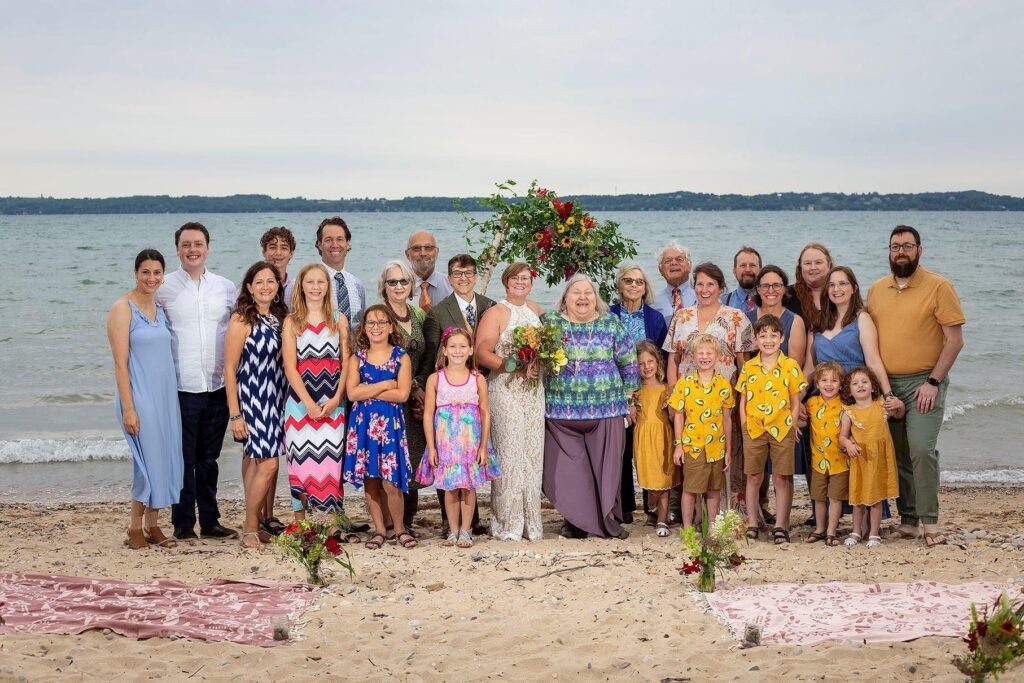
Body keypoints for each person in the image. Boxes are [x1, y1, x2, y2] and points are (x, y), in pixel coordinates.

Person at [868, 225, 964, 548]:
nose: (901, 252)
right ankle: (908, 520)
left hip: (925, 381)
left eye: (908, 246)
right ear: (889, 251)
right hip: (887, 385)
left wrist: (933, 382)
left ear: (919, 250)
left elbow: (954, 340)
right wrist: (882, 390)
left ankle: (930, 521)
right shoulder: (876, 290)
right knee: (899, 454)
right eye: (895, 246)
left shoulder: (939, 286)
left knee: (921, 448)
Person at [542, 274, 640, 540]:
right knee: (569, 473)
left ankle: (606, 522)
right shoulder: (550, 323)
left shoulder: (610, 323)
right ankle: (574, 522)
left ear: (596, 299)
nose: (583, 297)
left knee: (604, 471)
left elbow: (629, 361)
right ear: (565, 299)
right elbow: (536, 358)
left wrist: (630, 401)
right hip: (560, 412)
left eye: (588, 292)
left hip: (606, 410)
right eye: (576, 292)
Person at [157, 222, 238, 541]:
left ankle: (211, 521)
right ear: (177, 249)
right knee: (183, 459)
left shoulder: (225, 286)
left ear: (208, 247)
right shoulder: (163, 287)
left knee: (209, 459)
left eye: (198, 244)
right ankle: (182, 523)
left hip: (217, 386)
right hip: (181, 386)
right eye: (186, 244)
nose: (193, 249)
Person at [663, 262, 754, 523]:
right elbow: (672, 359)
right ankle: (692, 519)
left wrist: (744, 399)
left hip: (724, 400)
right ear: (694, 286)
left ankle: (729, 516)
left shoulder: (735, 317)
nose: (705, 289)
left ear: (720, 287)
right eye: (700, 284)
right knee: (692, 457)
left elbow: (743, 362)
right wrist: (672, 398)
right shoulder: (681, 317)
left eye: (710, 284)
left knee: (727, 455)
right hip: (689, 401)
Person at [107, 249, 183, 550]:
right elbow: (119, 363)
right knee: (146, 460)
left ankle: (153, 525)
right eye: (145, 272)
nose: (151, 278)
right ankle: (134, 527)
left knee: (163, 458)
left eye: (156, 273)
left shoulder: (159, 307)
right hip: (139, 395)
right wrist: (129, 408)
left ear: (163, 275)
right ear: (136, 273)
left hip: (165, 396)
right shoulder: (123, 308)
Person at [420, 253, 495, 535]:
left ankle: (472, 523)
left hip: (481, 392)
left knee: (474, 464)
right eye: (457, 274)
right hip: (448, 397)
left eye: (468, 273)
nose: (463, 278)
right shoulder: (438, 312)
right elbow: (430, 359)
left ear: (476, 276)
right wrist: (422, 390)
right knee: (449, 468)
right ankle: (450, 523)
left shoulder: (491, 307)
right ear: (449, 278)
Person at [281, 264, 355, 539]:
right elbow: (290, 368)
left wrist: (337, 398)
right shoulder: (292, 321)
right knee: (300, 463)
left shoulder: (339, 319)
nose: (315, 287)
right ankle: (302, 525)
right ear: (301, 286)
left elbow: (346, 362)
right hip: (300, 405)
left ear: (328, 286)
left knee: (329, 464)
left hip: (333, 401)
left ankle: (327, 524)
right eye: (309, 282)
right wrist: (308, 404)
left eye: (320, 282)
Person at [475, 263, 546, 542]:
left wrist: (545, 362)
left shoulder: (537, 310)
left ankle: (531, 523)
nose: (520, 282)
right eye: (515, 278)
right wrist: (515, 366)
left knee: (532, 454)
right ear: (506, 282)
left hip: (533, 391)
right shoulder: (496, 312)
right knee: (509, 454)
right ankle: (507, 523)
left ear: (531, 283)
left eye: (526, 278)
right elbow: (481, 353)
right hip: (505, 390)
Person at [415, 327, 501, 548]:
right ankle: (452, 530)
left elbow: (484, 413)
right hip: (446, 445)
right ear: (444, 350)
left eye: (463, 346)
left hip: (469, 444)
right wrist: (431, 447)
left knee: (468, 487)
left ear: (471, 350)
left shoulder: (477, 379)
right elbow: (428, 414)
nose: (457, 351)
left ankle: (466, 530)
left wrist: (483, 446)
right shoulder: (435, 379)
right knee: (450, 489)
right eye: (452, 346)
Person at [224, 261, 288, 548]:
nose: (265, 286)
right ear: (249, 287)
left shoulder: (280, 318)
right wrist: (235, 414)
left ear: (277, 287)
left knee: (256, 462)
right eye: (259, 281)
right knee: (269, 464)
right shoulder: (241, 320)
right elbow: (229, 368)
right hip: (253, 398)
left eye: (270, 281)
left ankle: (256, 523)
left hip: (278, 397)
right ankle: (250, 528)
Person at [343, 305, 416, 550]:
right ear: (364, 327)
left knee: (391, 482)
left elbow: (403, 394)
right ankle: (379, 530)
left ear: (390, 326)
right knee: (371, 480)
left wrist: (369, 391)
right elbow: (352, 393)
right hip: (363, 427)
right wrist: (385, 384)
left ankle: (400, 529)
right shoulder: (358, 357)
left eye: (381, 322)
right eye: (371, 323)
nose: (376, 327)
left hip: (390, 427)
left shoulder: (401, 356)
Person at [736, 315, 808, 544]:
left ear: (782, 338)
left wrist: (793, 424)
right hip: (755, 428)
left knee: (781, 477)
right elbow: (743, 399)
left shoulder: (790, 366)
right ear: (756, 340)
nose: (768, 340)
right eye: (763, 336)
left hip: (782, 427)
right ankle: (753, 522)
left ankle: (781, 525)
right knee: (754, 476)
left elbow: (795, 400)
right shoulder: (749, 367)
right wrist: (745, 425)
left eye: (773, 335)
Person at [609, 263, 668, 524]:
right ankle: (623, 507)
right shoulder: (609, 316)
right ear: (619, 285)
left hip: (647, 394)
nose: (634, 286)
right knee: (621, 449)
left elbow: (663, 357)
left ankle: (653, 507)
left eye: (639, 282)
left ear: (646, 288)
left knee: (650, 447)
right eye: (628, 281)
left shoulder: (655, 318)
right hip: (614, 393)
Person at [376, 259, 429, 532]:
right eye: (392, 281)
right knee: (390, 461)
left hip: (415, 398)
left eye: (404, 281)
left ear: (412, 286)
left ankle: (406, 521)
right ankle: (388, 522)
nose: (399, 286)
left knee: (413, 459)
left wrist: (419, 388)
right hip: (388, 397)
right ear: (383, 287)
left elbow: (427, 357)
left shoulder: (418, 314)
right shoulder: (378, 316)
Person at [669, 334, 734, 530]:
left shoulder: (723, 385)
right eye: (700, 353)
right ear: (693, 356)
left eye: (709, 353)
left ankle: (711, 527)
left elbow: (727, 419)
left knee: (714, 490)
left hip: (716, 447)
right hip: (693, 446)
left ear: (718, 356)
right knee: (690, 489)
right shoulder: (685, 384)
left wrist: (728, 450)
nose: (705, 357)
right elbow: (679, 416)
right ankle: (688, 528)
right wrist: (678, 446)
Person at [839, 366, 899, 548]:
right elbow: (842, 436)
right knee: (858, 499)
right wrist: (849, 444)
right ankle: (856, 531)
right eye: (855, 383)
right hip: (861, 459)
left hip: (879, 459)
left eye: (865, 382)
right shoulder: (849, 411)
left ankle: (874, 533)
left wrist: (900, 405)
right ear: (849, 390)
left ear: (873, 386)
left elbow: (898, 413)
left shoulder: (881, 404)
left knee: (876, 498)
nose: (860, 386)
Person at [631, 341, 677, 537]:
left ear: (658, 363)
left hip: (663, 439)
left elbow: (675, 415)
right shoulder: (634, 392)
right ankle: (652, 509)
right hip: (643, 440)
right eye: (641, 364)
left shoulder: (667, 390)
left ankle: (662, 520)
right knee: (649, 479)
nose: (647, 367)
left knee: (663, 480)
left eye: (650, 361)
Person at [804, 362, 847, 547]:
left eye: (834, 381)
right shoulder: (811, 403)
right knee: (819, 497)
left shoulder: (846, 405)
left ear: (841, 384)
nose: (829, 384)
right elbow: (801, 420)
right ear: (817, 383)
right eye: (824, 380)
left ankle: (832, 531)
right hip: (818, 462)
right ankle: (820, 529)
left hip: (840, 462)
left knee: (835, 498)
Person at [316, 216, 366, 326]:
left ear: (347, 244)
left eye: (340, 239)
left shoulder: (357, 284)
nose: (334, 245)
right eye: (328, 240)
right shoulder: (309, 283)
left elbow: (361, 326)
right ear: (319, 244)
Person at [787, 243, 833, 332]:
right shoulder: (787, 295)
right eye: (807, 263)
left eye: (818, 262)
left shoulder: (839, 294)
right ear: (800, 267)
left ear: (829, 264)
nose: (813, 267)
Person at [406, 230, 453, 312]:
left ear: (437, 252)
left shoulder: (451, 286)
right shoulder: (396, 289)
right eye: (416, 248)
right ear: (407, 254)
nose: (423, 253)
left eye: (428, 248)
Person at [652, 242, 697, 325]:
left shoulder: (703, 296)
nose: (674, 263)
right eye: (668, 260)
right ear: (660, 269)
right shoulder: (652, 302)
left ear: (690, 266)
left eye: (679, 259)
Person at [261, 226, 296, 309]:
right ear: (264, 252)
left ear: (291, 253)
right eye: (273, 247)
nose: (278, 253)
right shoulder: (250, 288)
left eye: (284, 248)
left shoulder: (296, 288)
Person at [724, 246, 762, 313]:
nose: (747, 270)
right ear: (734, 271)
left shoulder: (770, 300)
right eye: (743, 265)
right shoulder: (723, 302)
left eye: (752, 265)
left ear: (760, 270)